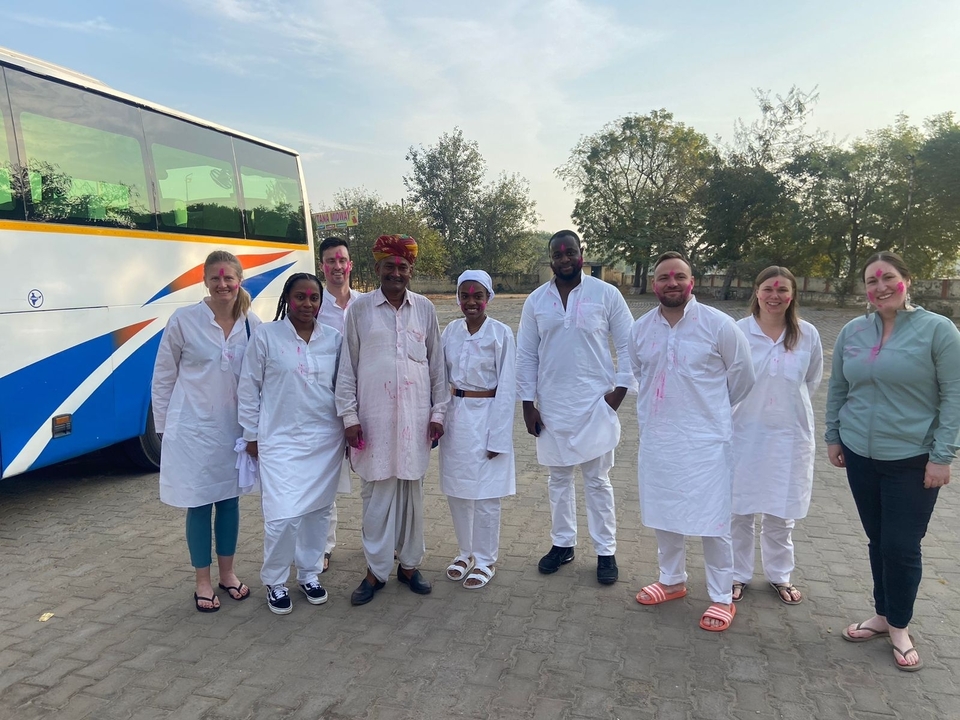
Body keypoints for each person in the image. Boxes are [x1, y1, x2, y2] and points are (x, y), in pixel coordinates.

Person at [827, 251, 960, 672]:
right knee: (878, 539)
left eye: (887, 278)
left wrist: (942, 457)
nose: (879, 286)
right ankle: (882, 615)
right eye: (871, 281)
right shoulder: (852, 331)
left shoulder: (938, 331)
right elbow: (838, 387)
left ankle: (899, 625)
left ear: (907, 281)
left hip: (912, 458)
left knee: (902, 546)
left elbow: (954, 396)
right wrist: (834, 435)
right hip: (861, 455)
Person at [630, 251, 754, 632]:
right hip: (658, 439)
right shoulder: (641, 328)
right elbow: (640, 373)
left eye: (679, 276)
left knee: (713, 521)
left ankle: (720, 596)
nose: (672, 283)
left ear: (691, 282)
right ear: (654, 285)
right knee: (665, 514)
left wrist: (708, 415)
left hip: (705, 443)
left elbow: (743, 378)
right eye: (664, 277)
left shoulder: (719, 326)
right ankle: (672, 581)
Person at [516, 230, 637, 585]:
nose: (565, 258)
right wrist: (527, 404)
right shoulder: (536, 301)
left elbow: (630, 346)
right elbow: (526, 355)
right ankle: (563, 544)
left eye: (571, 252)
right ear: (550, 258)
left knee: (597, 481)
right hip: (552, 406)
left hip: (595, 404)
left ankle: (605, 551)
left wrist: (618, 394)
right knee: (558, 479)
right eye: (558, 254)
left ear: (582, 254)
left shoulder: (606, 294)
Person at [335, 234, 448, 606]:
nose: (396, 273)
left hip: (415, 421)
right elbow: (347, 369)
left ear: (410, 270)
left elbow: (437, 369)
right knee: (377, 497)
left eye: (402, 267)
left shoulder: (426, 309)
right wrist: (349, 417)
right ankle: (376, 570)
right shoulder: (360, 310)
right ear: (378, 269)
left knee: (411, 495)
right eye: (389, 267)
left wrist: (438, 412)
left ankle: (410, 565)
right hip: (374, 420)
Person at [152, 250, 259, 612]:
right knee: (198, 504)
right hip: (193, 431)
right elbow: (164, 376)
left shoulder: (250, 323)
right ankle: (202, 580)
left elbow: (262, 376)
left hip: (233, 430)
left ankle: (227, 575)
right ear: (205, 280)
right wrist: (164, 429)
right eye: (215, 278)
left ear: (239, 280)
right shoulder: (184, 321)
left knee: (229, 500)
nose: (222, 284)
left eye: (229, 278)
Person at [238, 273, 345, 614]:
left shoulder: (334, 339)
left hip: (325, 441)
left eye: (314, 298)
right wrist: (251, 435)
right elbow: (248, 387)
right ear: (288, 299)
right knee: (282, 516)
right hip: (279, 440)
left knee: (316, 513)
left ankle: (310, 574)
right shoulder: (267, 336)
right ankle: (275, 580)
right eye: (300, 297)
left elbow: (343, 389)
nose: (307, 304)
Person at [731, 267, 823, 605]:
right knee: (738, 509)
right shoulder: (737, 332)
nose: (775, 296)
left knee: (780, 511)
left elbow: (810, 381)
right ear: (756, 291)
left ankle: (779, 575)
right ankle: (736, 574)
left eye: (783, 289)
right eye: (768, 288)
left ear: (793, 294)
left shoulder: (807, 335)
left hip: (788, 435)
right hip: (742, 431)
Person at [439, 270, 517, 589]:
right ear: (458, 298)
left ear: (488, 298)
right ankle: (465, 552)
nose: (471, 302)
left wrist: (498, 435)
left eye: (478, 296)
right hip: (456, 416)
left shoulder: (501, 334)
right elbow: (439, 375)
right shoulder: (450, 332)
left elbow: (509, 385)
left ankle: (486, 559)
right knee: (458, 492)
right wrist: (437, 419)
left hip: (488, 416)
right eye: (465, 296)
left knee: (486, 495)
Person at [315, 236, 364, 572]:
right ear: (322, 266)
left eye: (341, 260)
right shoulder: (312, 306)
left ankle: (378, 540)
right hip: (326, 406)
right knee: (327, 479)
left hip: (369, 402)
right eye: (330, 261)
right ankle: (323, 547)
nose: (336, 266)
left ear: (350, 265)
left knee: (373, 476)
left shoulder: (366, 304)